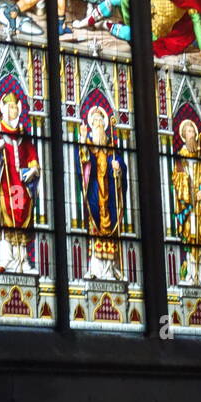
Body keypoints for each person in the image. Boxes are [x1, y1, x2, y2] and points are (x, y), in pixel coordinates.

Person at [0, 76, 41, 274]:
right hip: (6, 184)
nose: (14, 111)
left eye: (16, 108)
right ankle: (6, 260)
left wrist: (34, 169)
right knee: (7, 219)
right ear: (3, 109)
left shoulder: (22, 134)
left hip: (21, 184)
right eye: (10, 108)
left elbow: (31, 154)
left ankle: (22, 261)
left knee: (22, 218)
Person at [77, 105, 127, 280]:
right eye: (95, 121)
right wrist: (83, 141)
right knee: (95, 229)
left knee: (111, 229)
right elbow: (82, 164)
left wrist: (118, 169)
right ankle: (95, 269)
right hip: (94, 194)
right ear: (91, 124)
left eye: (101, 121)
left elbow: (122, 169)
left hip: (110, 197)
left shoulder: (112, 149)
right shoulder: (89, 145)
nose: (98, 124)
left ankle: (112, 269)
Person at [172, 119, 201, 287]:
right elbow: (175, 177)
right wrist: (187, 190)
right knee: (190, 235)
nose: (193, 134)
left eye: (193, 131)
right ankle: (191, 274)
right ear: (183, 136)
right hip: (188, 203)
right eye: (189, 132)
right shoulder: (180, 156)